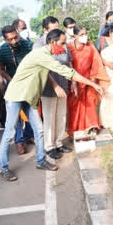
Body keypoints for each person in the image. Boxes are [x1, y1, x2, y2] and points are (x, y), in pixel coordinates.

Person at [1, 29, 105, 179]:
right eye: (62, 43)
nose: (64, 47)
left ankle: (41, 161)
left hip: (29, 96)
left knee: (39, 130)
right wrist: (92, 84)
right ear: (52, 42)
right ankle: (3, 167)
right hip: (16, 95)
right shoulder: (42, 55)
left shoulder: (47, 54)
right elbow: (67, 71)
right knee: (9, 132)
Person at [35, 20, 73, 160]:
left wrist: (72, 81)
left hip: (63, 84)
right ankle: (49, 146)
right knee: (49, 117)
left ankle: (58, 142)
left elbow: (68, 61)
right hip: (49, 87)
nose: (58, 31)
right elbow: (42, 67)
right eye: (54, 28)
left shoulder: (62, 42)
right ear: (46, 30)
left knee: (61, 115)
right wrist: (55, 85)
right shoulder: (39, 45)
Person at [0, 26, 35, 156]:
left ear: (18, 34)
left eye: (15, 37)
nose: (14, 41)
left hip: (29, 84)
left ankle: (29, 135)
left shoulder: (28, 45)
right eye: (10, 39)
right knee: (16, 115)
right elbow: (0, 68)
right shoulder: (2, 50)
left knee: (30, 111)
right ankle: (19, 141)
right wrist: (9, 80)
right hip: (13, 86)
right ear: (5, 40)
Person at [67, 25, 110, 138]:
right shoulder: (69, 47)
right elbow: (68, 65)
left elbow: (96, 62)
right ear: (75, 36)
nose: (85, 36)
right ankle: (76, 128)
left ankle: (92, 126)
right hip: (74, 81)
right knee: (76, 105)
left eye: (86, 34)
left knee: (90, 102)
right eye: (81, 35)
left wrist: (94, 78)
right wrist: (73, 82)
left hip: (90, 79)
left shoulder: (90, 45)